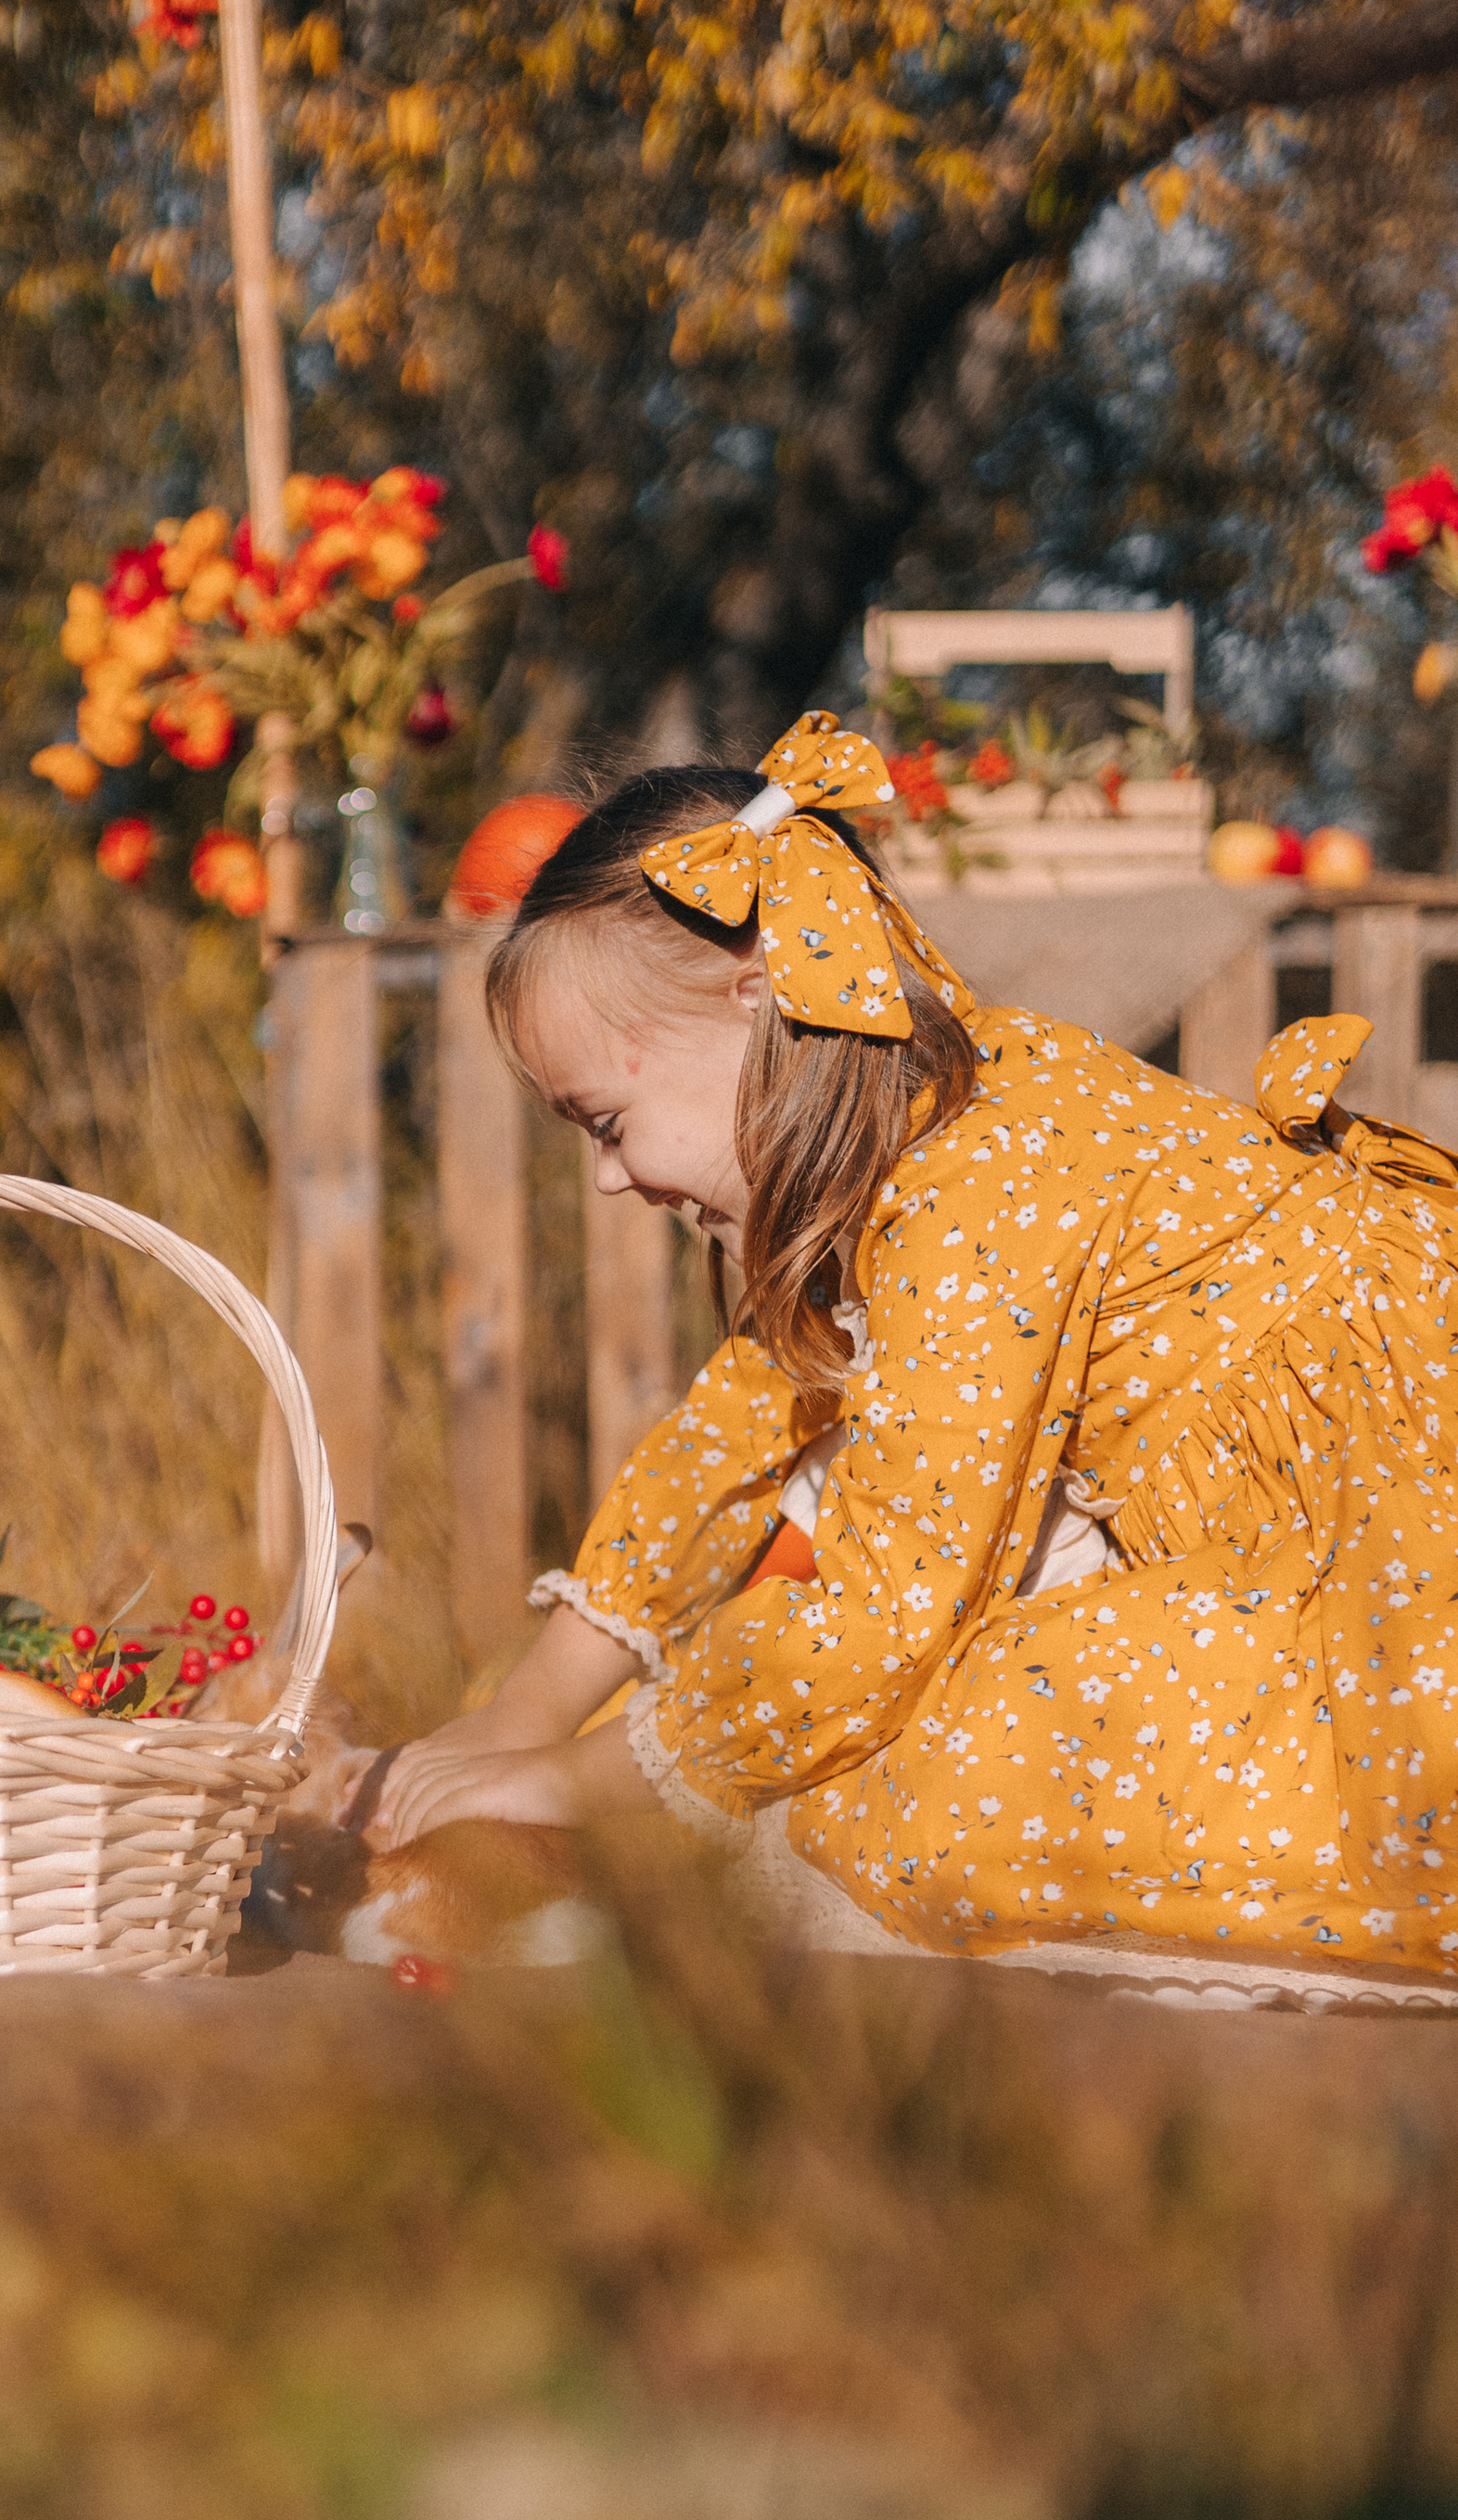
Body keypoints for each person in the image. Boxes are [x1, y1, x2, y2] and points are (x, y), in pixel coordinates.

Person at [372, 712, 1458, 1976]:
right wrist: (525, 1712)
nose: (608, 1178)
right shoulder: (912, 1150)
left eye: (606, 1122)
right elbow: (729, 1436)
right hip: (1312, 1553)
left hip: (1396, 1560)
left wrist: (588, 1777)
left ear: (758, 996)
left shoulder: (979, 1182)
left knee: (944, 1772)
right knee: (867, 1736)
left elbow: (886, 1611)